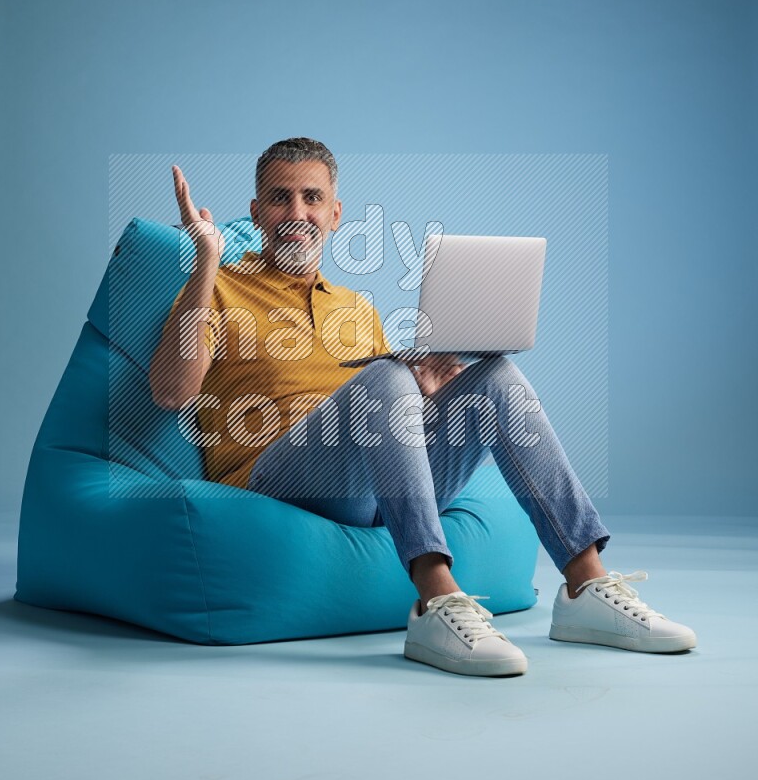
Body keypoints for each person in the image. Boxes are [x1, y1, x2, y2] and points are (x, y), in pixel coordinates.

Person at [149, 137, 696, 677]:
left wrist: (428, 386)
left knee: (495, 376)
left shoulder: (356, 307)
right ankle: (437, 601)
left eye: (312, 198)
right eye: (279, 198)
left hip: (372, 486)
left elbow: (388, 410)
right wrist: (206, 262)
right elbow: (172, 392)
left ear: (335, 214)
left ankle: (585, 586)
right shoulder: (216, 288)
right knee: (386, 375)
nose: (297, 213)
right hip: (279, 479)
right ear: (256, 213)